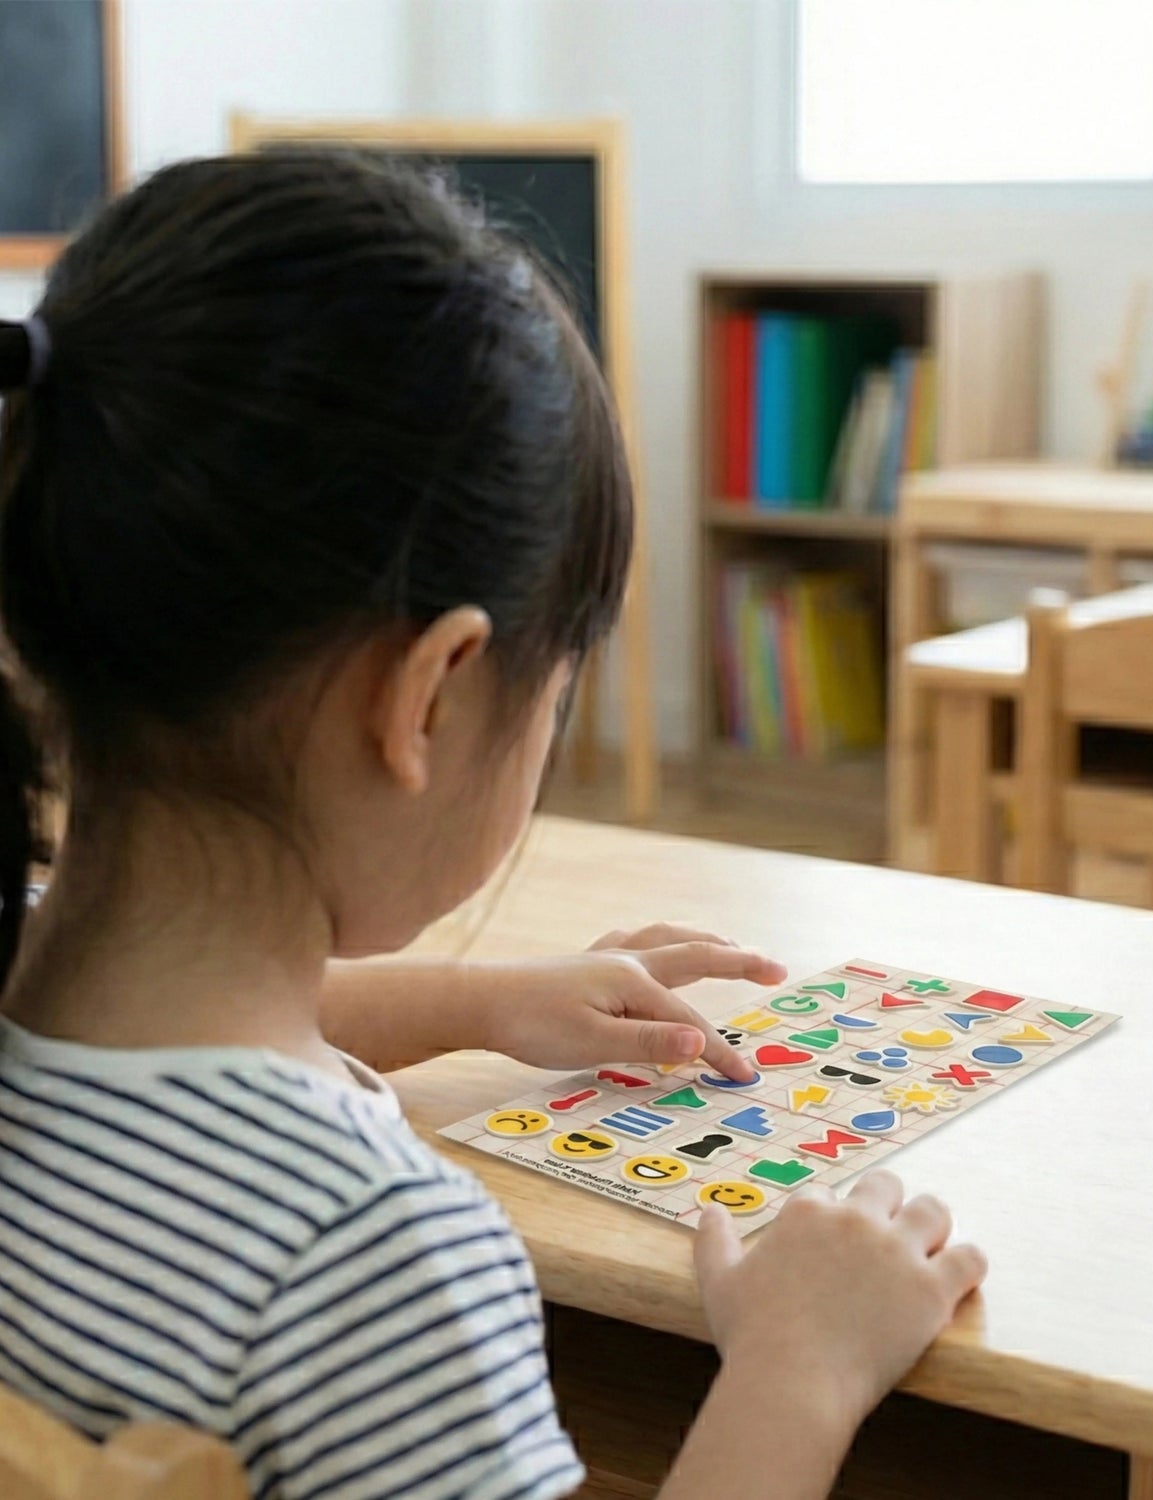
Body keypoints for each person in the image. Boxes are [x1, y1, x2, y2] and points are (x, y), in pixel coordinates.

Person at [0, 152, 986, 1500]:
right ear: (433, 696)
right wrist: (796, 1371)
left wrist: (476, 1000)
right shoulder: (371, 1253)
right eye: (557, 691)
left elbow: (183, 1038)